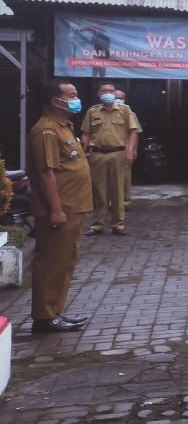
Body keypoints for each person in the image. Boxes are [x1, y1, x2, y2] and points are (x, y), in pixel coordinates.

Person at [28, 80, 93, 334]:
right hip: (60, 208)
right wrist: (56, 209)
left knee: (65, 261)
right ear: (57, 101)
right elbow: (46, 174)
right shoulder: (46, 131)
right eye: (72, 95)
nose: (77, 99)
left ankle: (55, 311)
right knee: (52, 262)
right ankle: (44, 317)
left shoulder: (64, 128)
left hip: (73, 206)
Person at [81, 82, 140, 236]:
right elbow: (86, 133)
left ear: (115, 94)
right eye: (104, 90)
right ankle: (98, 224)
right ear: (99, 94)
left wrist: (130, 150)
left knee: (117, 190)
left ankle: (118, 224)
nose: (107, 92)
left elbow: (133, 132)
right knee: (99, 191)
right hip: (98, 154)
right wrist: (82, 153)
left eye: (111, 90)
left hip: (118, 153)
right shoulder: (92, 112)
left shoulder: (125, 111)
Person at [113, 88, 136, 205]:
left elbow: (134, 132)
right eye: (116, 97)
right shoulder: (96, 111)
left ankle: (125, 201)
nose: (118, 100)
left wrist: (133, 150)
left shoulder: (129, 113)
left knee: (125, 177)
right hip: (107, 150)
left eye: (121, 98)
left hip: (125, 149)